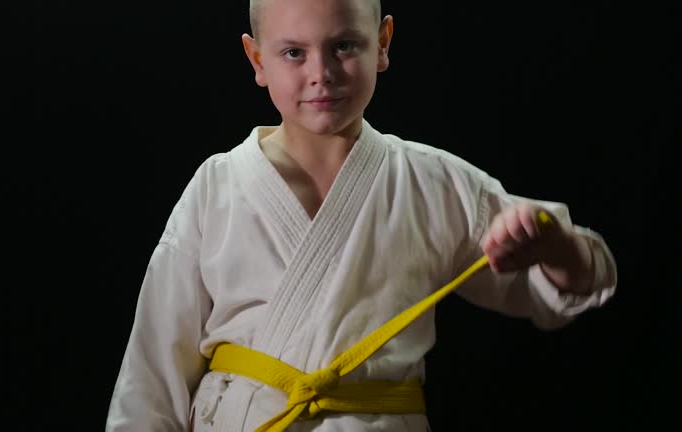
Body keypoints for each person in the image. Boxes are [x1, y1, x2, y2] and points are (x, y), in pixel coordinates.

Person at [105, 0, 618, 430]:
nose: (321, 74)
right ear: (256, 59)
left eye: (344, 46)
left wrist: (554, 246)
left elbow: (565, 287)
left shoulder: (431, 183)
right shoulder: (217, 186)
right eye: (293, 53)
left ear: (384, 42)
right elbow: (154, 367)